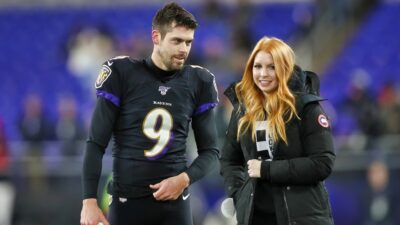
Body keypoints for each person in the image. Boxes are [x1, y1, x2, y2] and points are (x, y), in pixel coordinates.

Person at [80, 3, 220, 225]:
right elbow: (96, 143)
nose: (184, 49)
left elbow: (211, 151)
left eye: (188, 42)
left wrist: (184, 179)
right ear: (156, 37)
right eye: (176, 41)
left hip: (175, 205)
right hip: (127, 201)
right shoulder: (122, 73)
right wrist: (89, 201)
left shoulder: (198, 82)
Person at [220, 37, 335, 225]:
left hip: (302, 218)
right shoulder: (243, 110)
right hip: (256, 217)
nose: (263, 74)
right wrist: (238, 194)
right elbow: (228, 159)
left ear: (284, 68)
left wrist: (266, 169)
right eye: (257, 67)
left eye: (271, 67)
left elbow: (322, 163)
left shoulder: (307, 108)